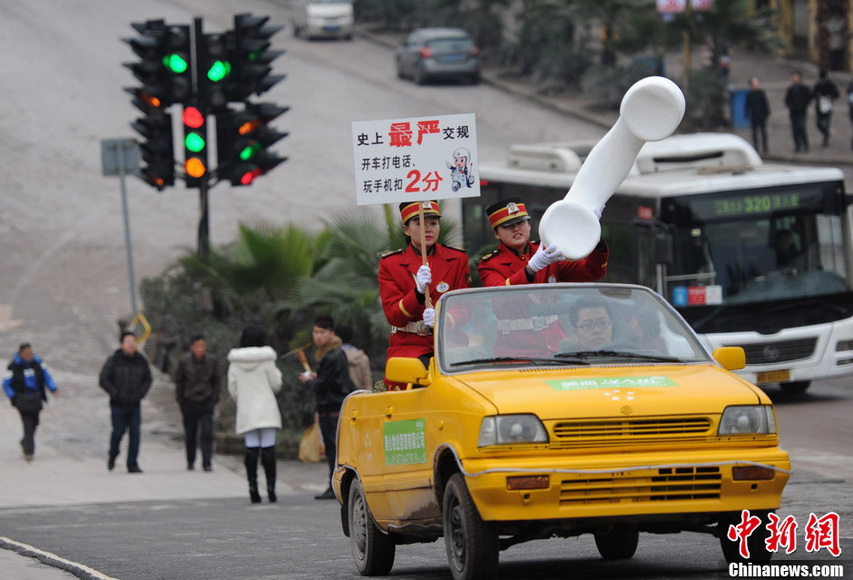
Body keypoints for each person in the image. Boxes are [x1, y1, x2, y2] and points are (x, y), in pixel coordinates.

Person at [377, 200, 470, 388]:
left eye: (434, 223)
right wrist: (417, 293)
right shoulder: (391, 264)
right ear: (406, 230)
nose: (428, 229)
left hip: (449, 343)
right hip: (408, 346)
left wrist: (441, 320)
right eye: (420, 223)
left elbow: (465, 306)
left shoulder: (457, 259)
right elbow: (394, 316)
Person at [478, 198, 609, 287]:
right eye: (508, 226)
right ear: (496, 233)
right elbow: (500, 298)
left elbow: (592, 272)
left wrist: (592, 235)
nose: (516, 228)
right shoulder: (490, 265)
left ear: (529, 225)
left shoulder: (547, 252)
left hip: (553, 327)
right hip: (516, 327)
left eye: (521, 222)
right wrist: (531, 269)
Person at [299, 316, 357, 500]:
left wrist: (309, 381)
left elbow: (323, 387)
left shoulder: (331, 355)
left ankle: (335, 486)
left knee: (333, 450)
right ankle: (335, 485)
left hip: (331, 409)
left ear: (331, 334)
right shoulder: (334, 352)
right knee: (335, 449)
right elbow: (331, 381)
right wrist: (317, 378)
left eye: (322, 332)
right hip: (334, 406)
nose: (318, 336)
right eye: (316, 332)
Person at [227, 325, 283, 503]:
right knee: (269, 448)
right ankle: (271, 488)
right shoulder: (267, 359)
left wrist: (242, 401)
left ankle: (253, 487)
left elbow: (232, 388)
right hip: (266, 408)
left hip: (247, 409)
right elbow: (276, 384)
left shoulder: (235, 362)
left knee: (251, 448)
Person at [99, 331, 152, 473]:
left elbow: (148, 379)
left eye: (133, 342)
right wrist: (115, 393)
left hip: (135, 404)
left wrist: (141, 394)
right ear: (122, 344)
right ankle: (113, 455)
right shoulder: (114, 360)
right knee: (118, 432)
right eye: (128, 342)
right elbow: (103, 379)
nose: (131, 345)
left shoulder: (141, 360)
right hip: (118, 404)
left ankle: (132, 463)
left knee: (135, 434)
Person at [3, 343, 59, 462]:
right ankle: (29, 451)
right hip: (21, 399)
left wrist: (53, 388)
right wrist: (13, 397)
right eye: (27, 353)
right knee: (27, 424)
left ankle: (25, 441)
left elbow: (46, 376)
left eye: (31, 353)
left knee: (35, 423)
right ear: (21, 354)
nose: (29, 355)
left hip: (36, 398)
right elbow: (6, 383)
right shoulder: (13, 366)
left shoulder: (38, 364)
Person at [173, 334, 221, 472]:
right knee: (190, 433)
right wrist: (181, 400)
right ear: (192, 347)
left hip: (206, 401)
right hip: (189, 402)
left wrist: (214, 398)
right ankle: (190, 460)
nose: (201, 349)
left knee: (207, 432)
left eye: (203, 346)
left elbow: (216, 380)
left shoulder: (212, 361)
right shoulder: (184, 362)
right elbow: (179, 382)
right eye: (198, 346)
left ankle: (207, 461)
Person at [335, 323, 372, 391]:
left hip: (338, 399)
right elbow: (367, 383)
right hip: (358, 398)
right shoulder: (363, 358)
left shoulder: (333, 358)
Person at [784, 70, 812, 153]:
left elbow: (809, 98)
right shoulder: (791, 89)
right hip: (793, 112)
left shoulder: (804, 88)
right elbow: (787, 100)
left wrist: (804, 105)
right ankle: (797, 146)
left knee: (801, 127)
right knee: (795, 129)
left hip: (802, 111)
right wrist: (791, 106)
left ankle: (805, 144)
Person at [813, 69, 840, 147]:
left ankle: (825, 140)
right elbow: (813, 94)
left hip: (828, 106)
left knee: (827, 123)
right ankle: (826, 132)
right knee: (818, 123)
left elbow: (837, 94)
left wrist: (831, 97)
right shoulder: (818, 85)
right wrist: (817, 97)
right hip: (819, 107)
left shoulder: (830, 85)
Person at [745, 76, 770, 154]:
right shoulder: (750, 94)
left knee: (763, 132)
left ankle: (765, 147)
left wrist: (767, 113)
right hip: (754, 115)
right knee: (755, 132)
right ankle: (756, 147)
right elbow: (747, 106)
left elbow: (765, 104)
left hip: (762, 115)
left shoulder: (761, 93)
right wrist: (747, 114)